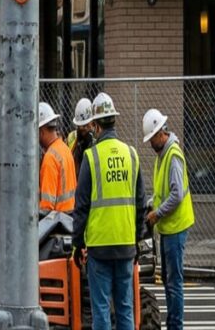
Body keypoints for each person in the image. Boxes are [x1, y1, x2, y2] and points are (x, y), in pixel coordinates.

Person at [72, 92, 147, 330]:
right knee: (125, 307)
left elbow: (81, 206)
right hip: (126, 245)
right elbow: (140, 204)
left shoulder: (91, 157)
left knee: (101, 310)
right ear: (114, 120)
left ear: (95, 125)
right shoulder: (131, 155)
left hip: (99, 247)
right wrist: (137, 241)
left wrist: (77, 244)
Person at [143, 108, 193, 330]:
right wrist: (151, 203)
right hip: (168, 228)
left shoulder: (172, 155)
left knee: (174, 283)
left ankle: (175, 326)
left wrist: (157, 213)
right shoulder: (162, 156)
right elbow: (164, 192)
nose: (150, 144)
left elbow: (176, 194)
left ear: (159, 134)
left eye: (151, 139)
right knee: (168, 280)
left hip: (175, 227)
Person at [39, 101, 76, 214]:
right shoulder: (65, 149)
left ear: (41, 132)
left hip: (57, 223)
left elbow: (46, 206)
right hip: (70, 218)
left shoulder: (50, 158)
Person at [66, 97, 95, 175]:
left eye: (86, 125)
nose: (83, 128)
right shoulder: (71, 137)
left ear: (92, 122)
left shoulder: (98, 139)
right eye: (80, 125)